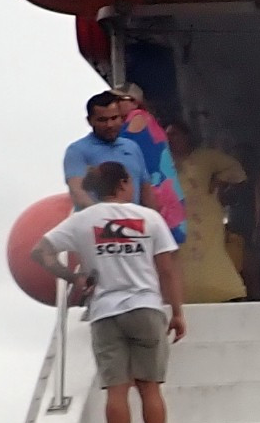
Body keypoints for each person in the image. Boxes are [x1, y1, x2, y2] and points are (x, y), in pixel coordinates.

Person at [30, 161, 186, 423]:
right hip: (146, 307)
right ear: (125, 183)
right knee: (150, 388)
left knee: (117, 390)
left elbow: (39, 251)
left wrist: (72, 277)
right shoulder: (149, 218)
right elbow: (167, 269)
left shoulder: (82, 220)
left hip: (106, 311)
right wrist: (179, 312)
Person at [166, 122, 248, 304]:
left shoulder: (206, 157)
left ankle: (222, 291)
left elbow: (237, 171)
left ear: (187, 137)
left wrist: (219, 180)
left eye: (176, 135)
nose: (171, 140)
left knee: (209, 251)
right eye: (168, 136)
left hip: (205, 214)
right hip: (175, 220)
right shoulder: (163, 162)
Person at [112, 84, 188, 245]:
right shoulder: (144, 119)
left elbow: (117, 144)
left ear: (134, 102)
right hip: (159, 186)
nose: (114, 104)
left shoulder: (137, 117)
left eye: (119, 100)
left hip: (156, 189)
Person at [64, 92, 149, 210]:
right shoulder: (77, 150)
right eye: (102, 120)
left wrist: (152, 220)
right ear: (90, 121)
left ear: (122, 118)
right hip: (96, 225)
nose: (109, 125)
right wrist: (106, 217)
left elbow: (146, 192)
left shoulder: (132, 147)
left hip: (133, 223)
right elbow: (78, 192)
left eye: (114, 118)